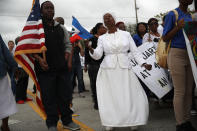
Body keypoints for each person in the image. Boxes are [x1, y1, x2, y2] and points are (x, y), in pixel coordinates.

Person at [87, 13, 152, 131]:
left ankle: (133, 120)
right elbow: (98, 55)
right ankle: (111, 121)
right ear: (104, 22)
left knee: (129, 94)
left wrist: (143, 63)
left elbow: (135, 51)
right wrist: (91, 49)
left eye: (109, 17)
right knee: (111, 96)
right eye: (105, 18)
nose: (107, 19)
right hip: (108, 70)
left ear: (114, 19)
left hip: (125, 67)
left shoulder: (126, 34)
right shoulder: (102, 38)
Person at [32, 1, 80, 131]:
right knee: (49, 98)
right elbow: (30, 48)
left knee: (65, 96)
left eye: (51, 8)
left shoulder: (61, 28)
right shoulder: (37, 28)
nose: (49, 10)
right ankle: (52, 124)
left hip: (62, 70)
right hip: (45, 70)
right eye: (46, 8)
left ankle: (67, 121)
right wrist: (39, 60)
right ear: (41, 11)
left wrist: (65, 59)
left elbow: (68, 45)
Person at [162, 0, 196, 130]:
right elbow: (165, 38)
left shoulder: (191, 16)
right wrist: (177, 27)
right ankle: (180, 124)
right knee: (180, 91)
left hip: (190, 54)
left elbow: (192, 37)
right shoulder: (172, 14)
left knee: (189, 91)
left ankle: (187, 121)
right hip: (176, 54)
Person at [84, 23, 107, 110]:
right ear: (97, 29)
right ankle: (97, 102)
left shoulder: (106, 38)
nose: (104, 29)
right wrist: (86, 65)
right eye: (102, 28)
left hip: (104, 64)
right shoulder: (92, 39)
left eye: (105, 27)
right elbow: (87, 52)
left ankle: (104, 101)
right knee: (95, 84)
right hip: (94, 65)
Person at [0, 35, 18, 131]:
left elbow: (5, 51)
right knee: (5, 101)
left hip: (1, 73)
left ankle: (5, 125)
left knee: (6, 102)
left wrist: (14, 67)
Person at [15, 37, 32, 104]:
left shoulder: (24, 48)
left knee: (25, 83)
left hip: (25, 68)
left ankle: (24, 97)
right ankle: (18, 99)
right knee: (20, 84)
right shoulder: (17, 49)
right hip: (19, 68)